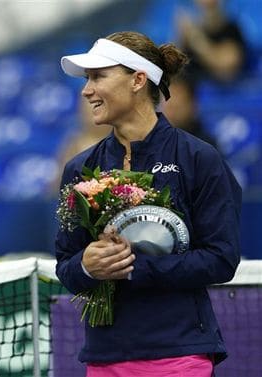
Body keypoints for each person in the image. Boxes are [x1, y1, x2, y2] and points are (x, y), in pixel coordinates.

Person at [56, 31, 241, 376]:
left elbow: (221, 258)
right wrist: (86, 265)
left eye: (98, 76)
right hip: (104, 357)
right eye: (87, 79)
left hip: (179, 354)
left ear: (138, 80)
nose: (86, 90)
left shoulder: (199, 159)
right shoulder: (78, 168)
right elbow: (65, 265)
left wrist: (132, 265)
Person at [176, 0, 246, 83]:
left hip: (222, 92)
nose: (207, 2)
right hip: (192, 91)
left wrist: (195, 39)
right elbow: (175, 72)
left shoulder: (232, 30)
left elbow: (226, 67)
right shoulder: (191, 32)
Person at [162, 73, 220, 150]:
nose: (172, 114)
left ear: (193, 105)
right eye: (169, 106)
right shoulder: (146, 140)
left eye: (178, 107)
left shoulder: (205, 147)